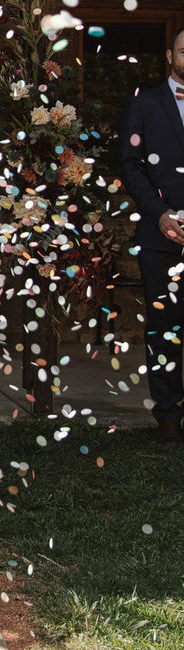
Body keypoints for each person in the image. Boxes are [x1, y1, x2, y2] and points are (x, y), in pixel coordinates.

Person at [120, 26, 184, 445]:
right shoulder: (145, 102)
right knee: (164, 325)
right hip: (161, 235)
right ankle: (167, 417)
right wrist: (161, 215)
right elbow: (130, 164)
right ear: (169, 55)